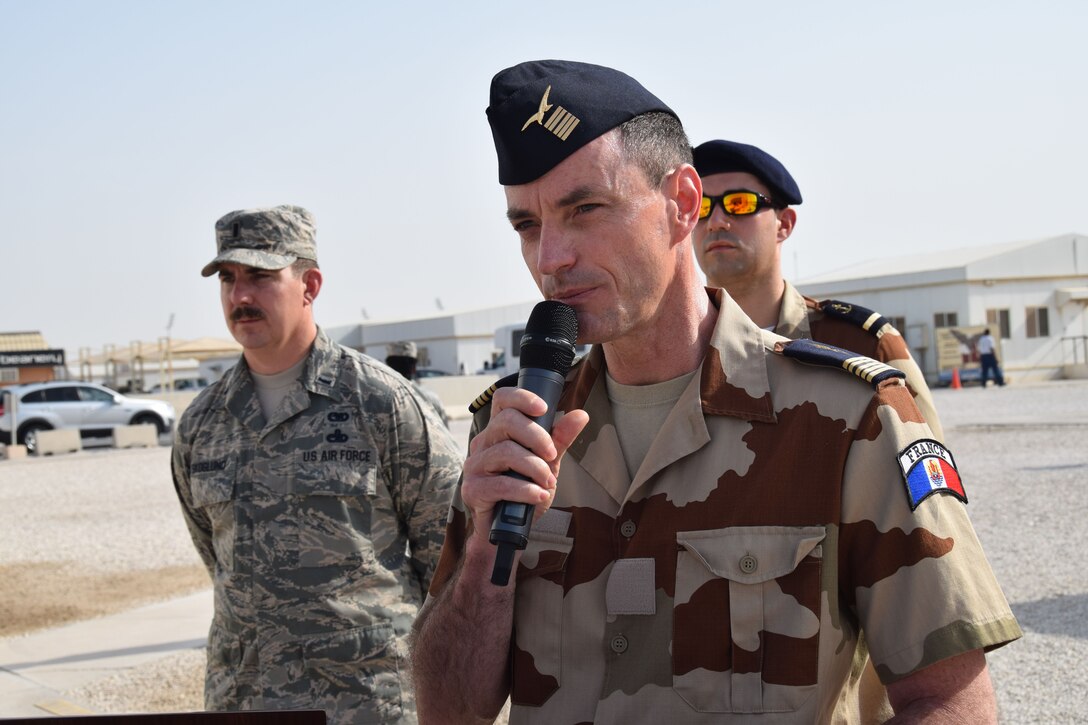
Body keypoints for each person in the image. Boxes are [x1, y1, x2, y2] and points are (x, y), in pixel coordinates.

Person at [410, 60, 1020, 723]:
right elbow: (451, 708)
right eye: (526, 225)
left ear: (682, 204)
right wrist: (480, 563)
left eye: (585, 208)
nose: (550, 256)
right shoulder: (517, 427)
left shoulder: (849, 421)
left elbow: (948, 698)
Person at [172, 204, 463, 724]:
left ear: (310, 285)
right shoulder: (201, 424)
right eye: (229, 279)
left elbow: (448, 556)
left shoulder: (384, 404)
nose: (240, 296)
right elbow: (216, 557)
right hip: (244, 700)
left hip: (362, 706)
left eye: (261, 277)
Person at [691, 139, 945, 440]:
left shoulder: (861, 345)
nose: (716, 221)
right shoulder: (671, 350)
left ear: (784, 224)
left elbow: (925, 471)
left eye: (740, 203)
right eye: (702, 207)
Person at [386, 341, 450, 426]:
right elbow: (445, 435)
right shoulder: (430, 399)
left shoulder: (375, 399)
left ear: (387, 367)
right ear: (414, 368)